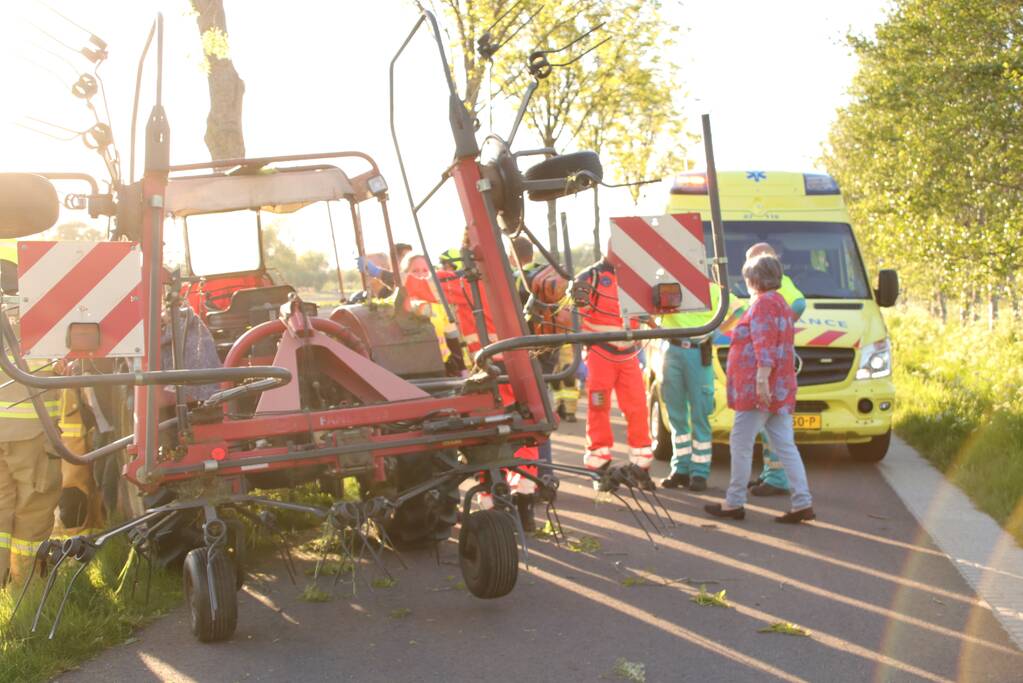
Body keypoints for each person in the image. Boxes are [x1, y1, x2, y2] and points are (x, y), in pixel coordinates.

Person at [704, 254, 815, 523]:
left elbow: (764, 345)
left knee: (740, 444)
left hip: (758, 391)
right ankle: (802, 502)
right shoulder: (780, 303)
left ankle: (734, 502)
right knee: (786, 445)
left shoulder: (764, 305)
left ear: (754, 278)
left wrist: (762, 382)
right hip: (779, 389)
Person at [0, 240, 62, 588]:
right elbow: (57, 370)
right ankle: (28, 597)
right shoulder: (34, 322)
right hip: (29, 436)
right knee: (32, 516)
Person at [574, 257, 653, 476]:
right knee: (598, 407)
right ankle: (598, 465)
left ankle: (641, 464)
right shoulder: (590, 277)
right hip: (600, 352)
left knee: (637, 406)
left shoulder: (637, 277)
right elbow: (573, 315)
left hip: (629, 353)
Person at [743, 242, 806, 496]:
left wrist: (781, 327)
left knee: (773, 431)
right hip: (777, 365)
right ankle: (772, 475)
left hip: (773, 368)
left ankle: (777, 479)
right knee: (773, 429)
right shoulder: (767, 292)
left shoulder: (777, 287)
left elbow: (799, 304)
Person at [657, 285, 722, 492]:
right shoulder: (666, 284)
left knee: (700, 413)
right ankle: (680, 469)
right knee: (676, 414)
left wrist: (713, 334)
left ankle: (700, 473)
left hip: (697, 352)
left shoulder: (712, 288)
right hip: (672, 348)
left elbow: (737, 310)